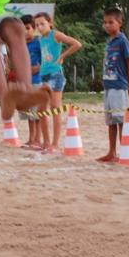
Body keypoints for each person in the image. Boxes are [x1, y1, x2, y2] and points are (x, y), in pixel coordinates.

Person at [35, 12, 82, 154]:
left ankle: (55, 144)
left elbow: (77, 44)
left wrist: (63, 56)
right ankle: (46, 142)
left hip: (55, 74)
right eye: (37, 25)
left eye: (42, 24)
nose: (39, 27)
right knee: (41, 110)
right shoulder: (40, 39)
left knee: (55, 108)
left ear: (50, 22)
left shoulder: (55, 34)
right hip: (43, 75)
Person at [96, 6, 129, 163]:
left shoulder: (122, 41)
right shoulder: (109, 41)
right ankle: (112, 152)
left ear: (120, 23)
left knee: (121, 121)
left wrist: (128, 86)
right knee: (111, 121)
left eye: (111, 22)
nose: (107, 25)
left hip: (119, 86)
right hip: (109, 86)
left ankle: (125, 151)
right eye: (105, 22)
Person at [21, 14, 44, 149]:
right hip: (24, 83)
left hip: (36, 81)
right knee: (28, 113)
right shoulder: (20, 45)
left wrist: (35, 68)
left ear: (33, 28)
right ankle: (31, 138)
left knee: (36, 113)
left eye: (27, 28)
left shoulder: (38, 43)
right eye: (22, 29)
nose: (25, 31)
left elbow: (44, 61)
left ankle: (37, 139)